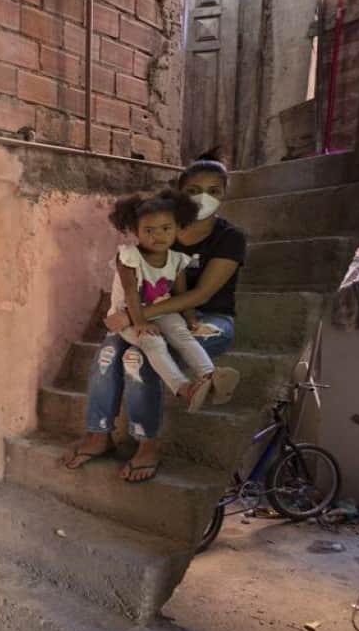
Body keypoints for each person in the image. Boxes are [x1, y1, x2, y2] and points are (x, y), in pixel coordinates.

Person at [64, 157, 248, 482]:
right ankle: (98, 433)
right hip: (150, 313)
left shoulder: (229, 237)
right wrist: (130, 315)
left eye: (213, 191)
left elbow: (200, 295)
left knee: (139, 357)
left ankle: (147, 442)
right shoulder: (159, 227)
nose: (202, 197)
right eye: (193, 190)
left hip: (207, 319)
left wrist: (132, 316)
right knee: (107, 354)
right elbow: (131, 280)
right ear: (178, 193)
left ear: (224, 194)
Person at [106, 189, 237, 413]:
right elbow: (131, 293)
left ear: (177, 228)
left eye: (166, 228)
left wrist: (191, 318)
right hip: (128, 315)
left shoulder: (177, 260)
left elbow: (180, 293)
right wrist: (139, 323)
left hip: (160, 310)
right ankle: (185, 389)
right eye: (149, 230)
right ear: (135, 231)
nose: (158, 235)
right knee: (153, 343)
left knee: (181, 333)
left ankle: (210, 375)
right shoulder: (128, 257)